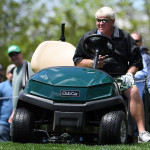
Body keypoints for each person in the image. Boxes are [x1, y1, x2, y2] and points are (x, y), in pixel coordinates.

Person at [73, 6, 150, 143]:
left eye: (105, 20)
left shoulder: (125, 37)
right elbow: (77, 61)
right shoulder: (88, 37)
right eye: (98, 20)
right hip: (92, 78)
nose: (101, 23)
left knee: (132, 89)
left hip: (118, 78)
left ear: (112, 21)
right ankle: (73, 128)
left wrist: (129, 74)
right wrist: (92, 63)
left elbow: (136, 62)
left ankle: (142, 132)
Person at [7, 45, 34, 124]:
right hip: (16, 113)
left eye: (15, 54)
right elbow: (16, 94)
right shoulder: (15, 70)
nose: (13, 57)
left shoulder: (28, 67)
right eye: (11, 55)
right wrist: (13, 112)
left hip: (25, 113)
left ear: (21, 54)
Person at [131, 33, 150, 100]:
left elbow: (148, 78)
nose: (134, 42)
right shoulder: (123, 55)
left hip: (141, 93)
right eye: (132, 40)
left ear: (141, 43)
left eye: (137, 41)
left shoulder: (146, 58)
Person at [0, 64, 15, 141]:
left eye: (16, 72)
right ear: (7, 75)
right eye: (12, 72)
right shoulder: (1, 86)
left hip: (17, 125)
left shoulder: (22, 87)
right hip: (3, 124)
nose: (14, 74)